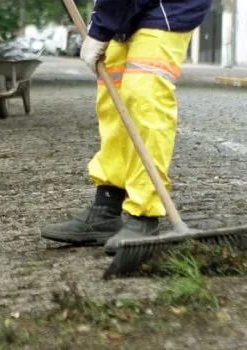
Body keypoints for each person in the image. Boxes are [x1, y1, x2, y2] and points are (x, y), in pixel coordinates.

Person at [41, 0, 213, 254]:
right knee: (112, 101)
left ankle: (144, 214)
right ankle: (106, 208)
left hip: (168, 7)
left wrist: (100, 29)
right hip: (126, 10)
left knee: (143, 96)